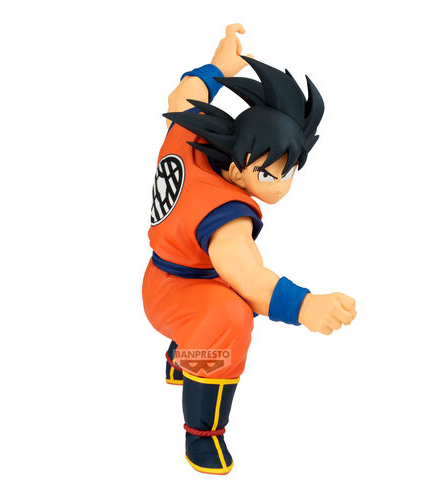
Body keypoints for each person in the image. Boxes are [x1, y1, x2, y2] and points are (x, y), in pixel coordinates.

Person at [142, 23, 357, 475]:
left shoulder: (187, 133)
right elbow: (249, 279)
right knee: (231, 316)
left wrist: (218, 67)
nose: (280, 186)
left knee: (220, 303)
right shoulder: (227, 216)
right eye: (267, 174)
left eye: (288, 171)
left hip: (166, 273)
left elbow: (183, 94)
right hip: (178, 294)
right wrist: (305, 306)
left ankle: (182, 356)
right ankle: (201, 434)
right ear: (238, 168)